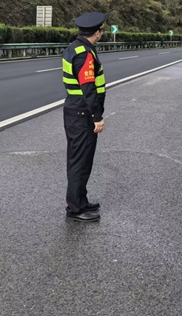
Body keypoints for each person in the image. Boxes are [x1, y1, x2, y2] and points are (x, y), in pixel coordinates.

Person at [62, 12, 107, 222]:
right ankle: (76, 209)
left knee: (80, 159)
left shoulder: (76, 47)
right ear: (97, 32)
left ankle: (81, 199)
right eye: (101, 30)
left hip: (75, 111)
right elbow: (88, 88)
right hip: (82, 114)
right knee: (80, 161)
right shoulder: (84, 54)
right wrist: (97, 116)